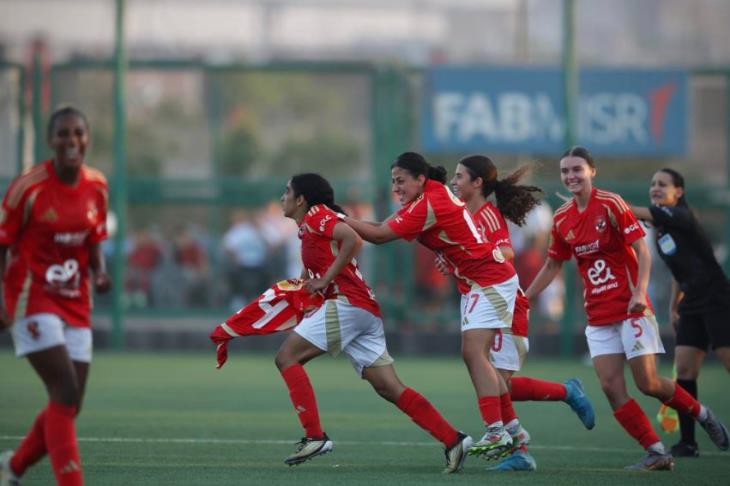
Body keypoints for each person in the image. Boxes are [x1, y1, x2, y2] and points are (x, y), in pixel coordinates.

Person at [524, 146, 729, 471]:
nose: (571, 176)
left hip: (631, 308)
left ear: (592, 171)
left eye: (577, 169)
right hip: (598, 315)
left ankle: (703, 415)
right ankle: (657, 452)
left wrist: (639, 291)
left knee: (647, 383)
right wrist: (527, 297)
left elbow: (642, 252)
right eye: (565, 171)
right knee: (610, 387)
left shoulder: (611, 203)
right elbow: (553, 264)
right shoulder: (562, 218)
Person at [274, 173, 472, 473]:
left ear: (301, 199)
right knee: (389, 387)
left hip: (349, 306)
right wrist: (306, 282)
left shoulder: (316, 215)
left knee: (286, 357)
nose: (282, 197)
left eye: (287, 191)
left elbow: (353, 240)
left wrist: (326, 279)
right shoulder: (310, 225)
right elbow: (323, 254)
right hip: (362, 310)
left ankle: (315, 436)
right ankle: (453, 439)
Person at [339, 152, 520, 461]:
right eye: (393, 181)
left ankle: (497, 429)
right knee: (481, 357)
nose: (396, 187)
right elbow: (382, 226)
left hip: (489, 279)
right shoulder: (428, 198)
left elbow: (381, 236)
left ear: (420, 179)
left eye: (401, 180)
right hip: (480, 281)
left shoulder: (429, 202)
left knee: (474, 353)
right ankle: (510, 427)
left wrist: (335, 220)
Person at [448, 155, 596, 470]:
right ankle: (550, 410)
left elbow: (505, 252)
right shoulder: (464, 215)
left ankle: (520, 442)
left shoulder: (486, 215)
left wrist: (473, 254)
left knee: (495, 382)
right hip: (484, 303)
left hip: (503, 306)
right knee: (498, 384)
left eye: (460, 176)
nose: (453, 181)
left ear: (477, 183)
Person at [0, 106, 111, 486]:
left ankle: (12, 467)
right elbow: (3, 243)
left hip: (76, 299)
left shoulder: (96, 184)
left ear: (87, 138)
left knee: (70, 403)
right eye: (63, 134)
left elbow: (94, 238)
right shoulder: (27, 187)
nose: (72, 141)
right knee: (63, 390)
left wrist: (99, 272)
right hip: (32, 295)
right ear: (51, 141)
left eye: (78, 133)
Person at [630, 168, 730, 458]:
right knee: (684, 371)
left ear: (679, 192)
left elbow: (643, 212)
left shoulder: (681, 216)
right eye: (652, 184)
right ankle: (688, 443)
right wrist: (675, 305)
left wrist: (611, 204)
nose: (655, 188)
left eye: (662, 184)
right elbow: (678, 271)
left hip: (716, 297)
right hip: (691, 303)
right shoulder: (662, 228)